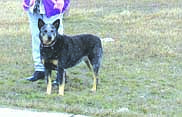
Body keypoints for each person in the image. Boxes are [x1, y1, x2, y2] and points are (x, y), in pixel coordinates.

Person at [23, 0, 70, 81]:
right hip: (34, 5)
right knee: (37, 37)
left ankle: (61, 72)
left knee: (56, 39)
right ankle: (40, 69)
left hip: (53, 4)